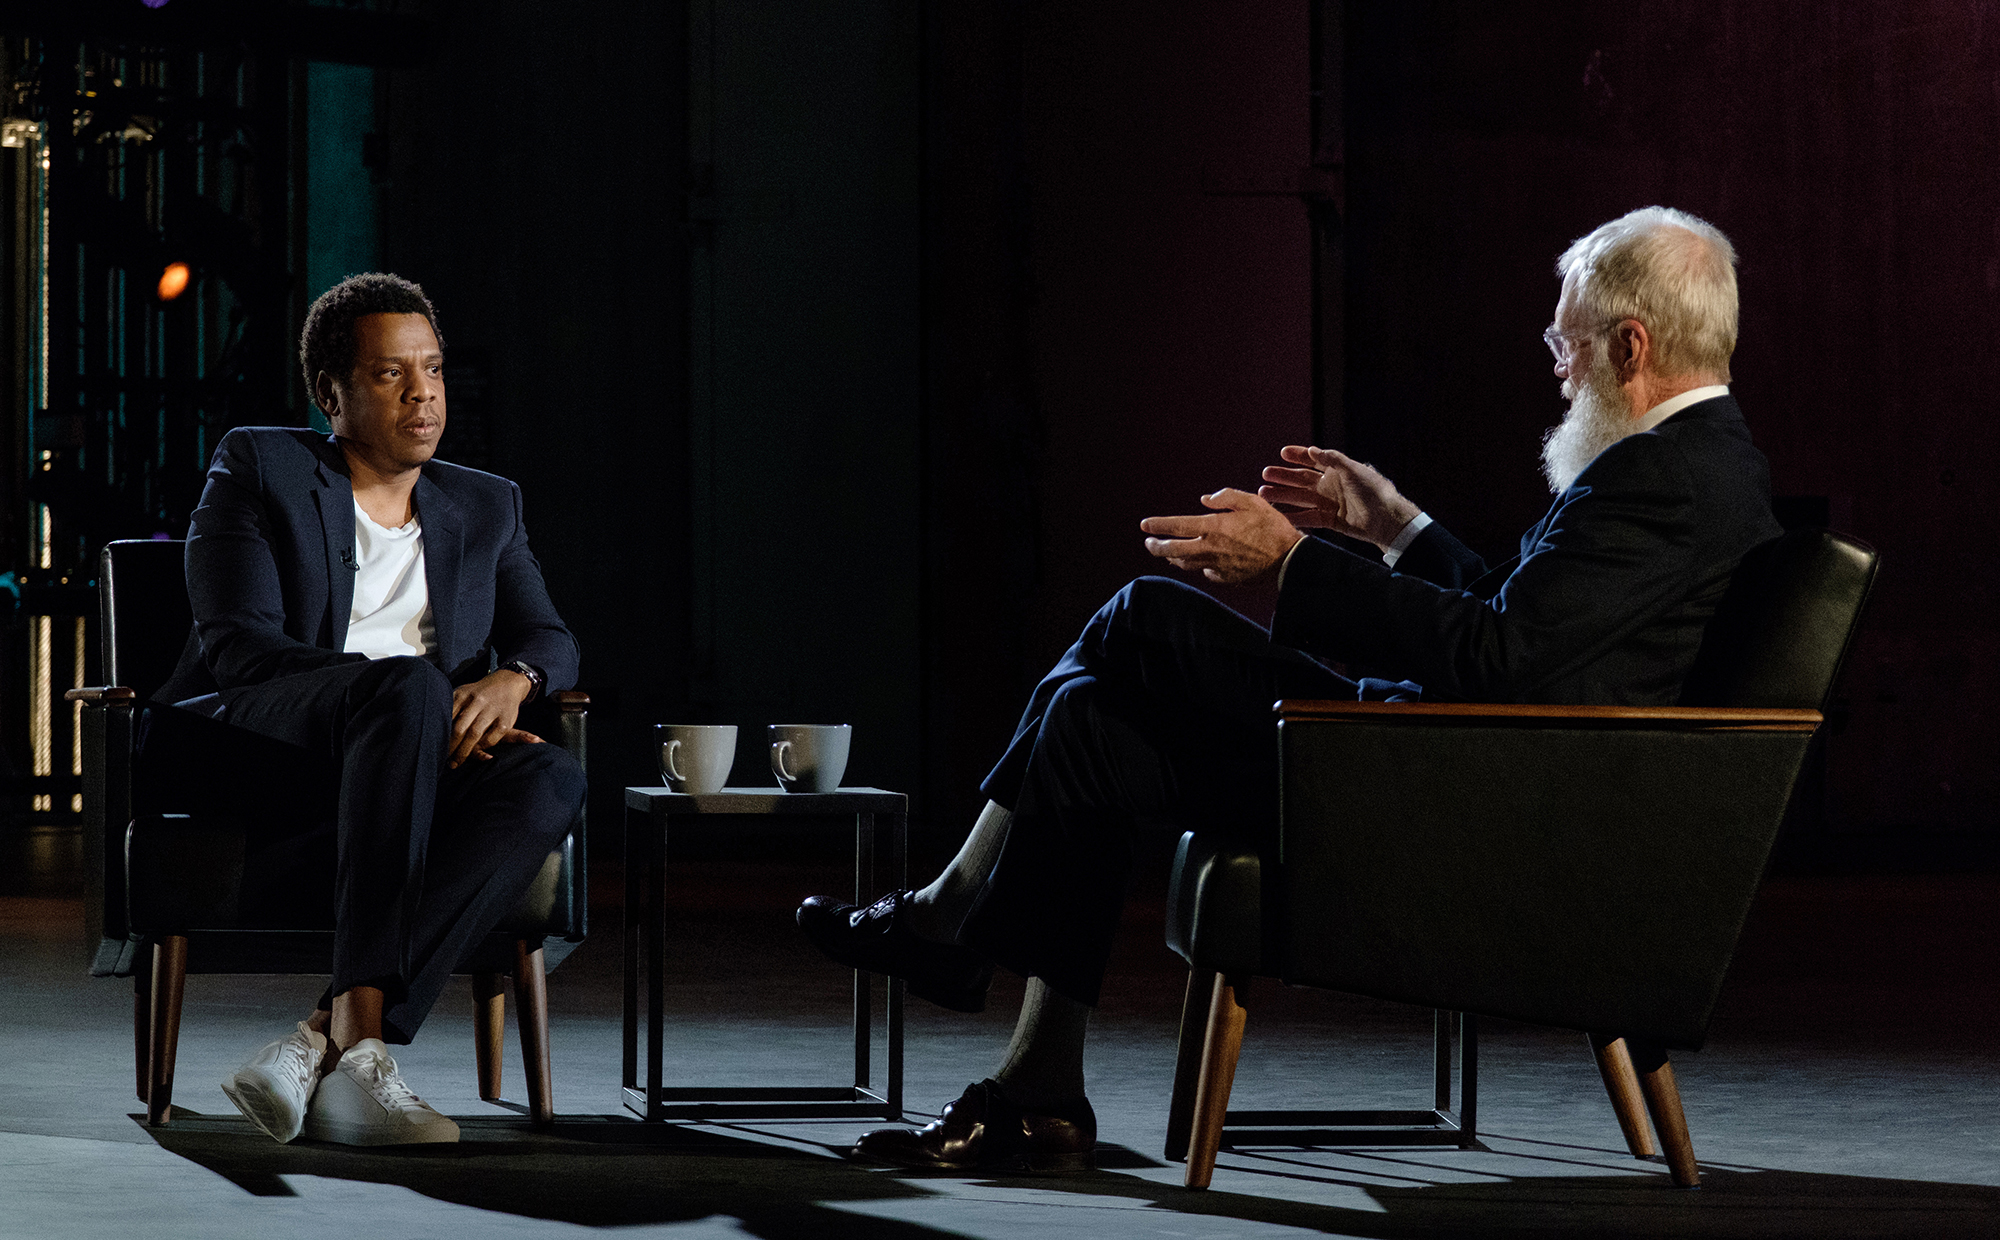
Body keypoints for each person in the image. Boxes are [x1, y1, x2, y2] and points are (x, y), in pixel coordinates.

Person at [796, 206, 1783, 1172]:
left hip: (1449, 800)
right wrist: (1395, 524)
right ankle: (1036, 1087)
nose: (1553, 363)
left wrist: (1295, 560)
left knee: (1144, 614)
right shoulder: (1697, 467)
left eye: (1561, 339)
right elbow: (1526, 630)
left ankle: (950, 911)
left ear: (1630, 344)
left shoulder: (1661, 478)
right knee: (1089, 719)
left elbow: (1498, 656)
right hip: (1469, 777)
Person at [150, 273, 585, 1146]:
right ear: (330, 395)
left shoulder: (484, 503)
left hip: (413, 755)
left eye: (432, 371)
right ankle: (359, 1052)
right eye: (392, 375)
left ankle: (332, 1037)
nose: (423, 394)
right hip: (262, 745)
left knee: (548, 774)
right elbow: (240, 649)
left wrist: (515, 682)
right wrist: (406, 707)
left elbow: (551, 636)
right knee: (412, 687)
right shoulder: (258, 467)